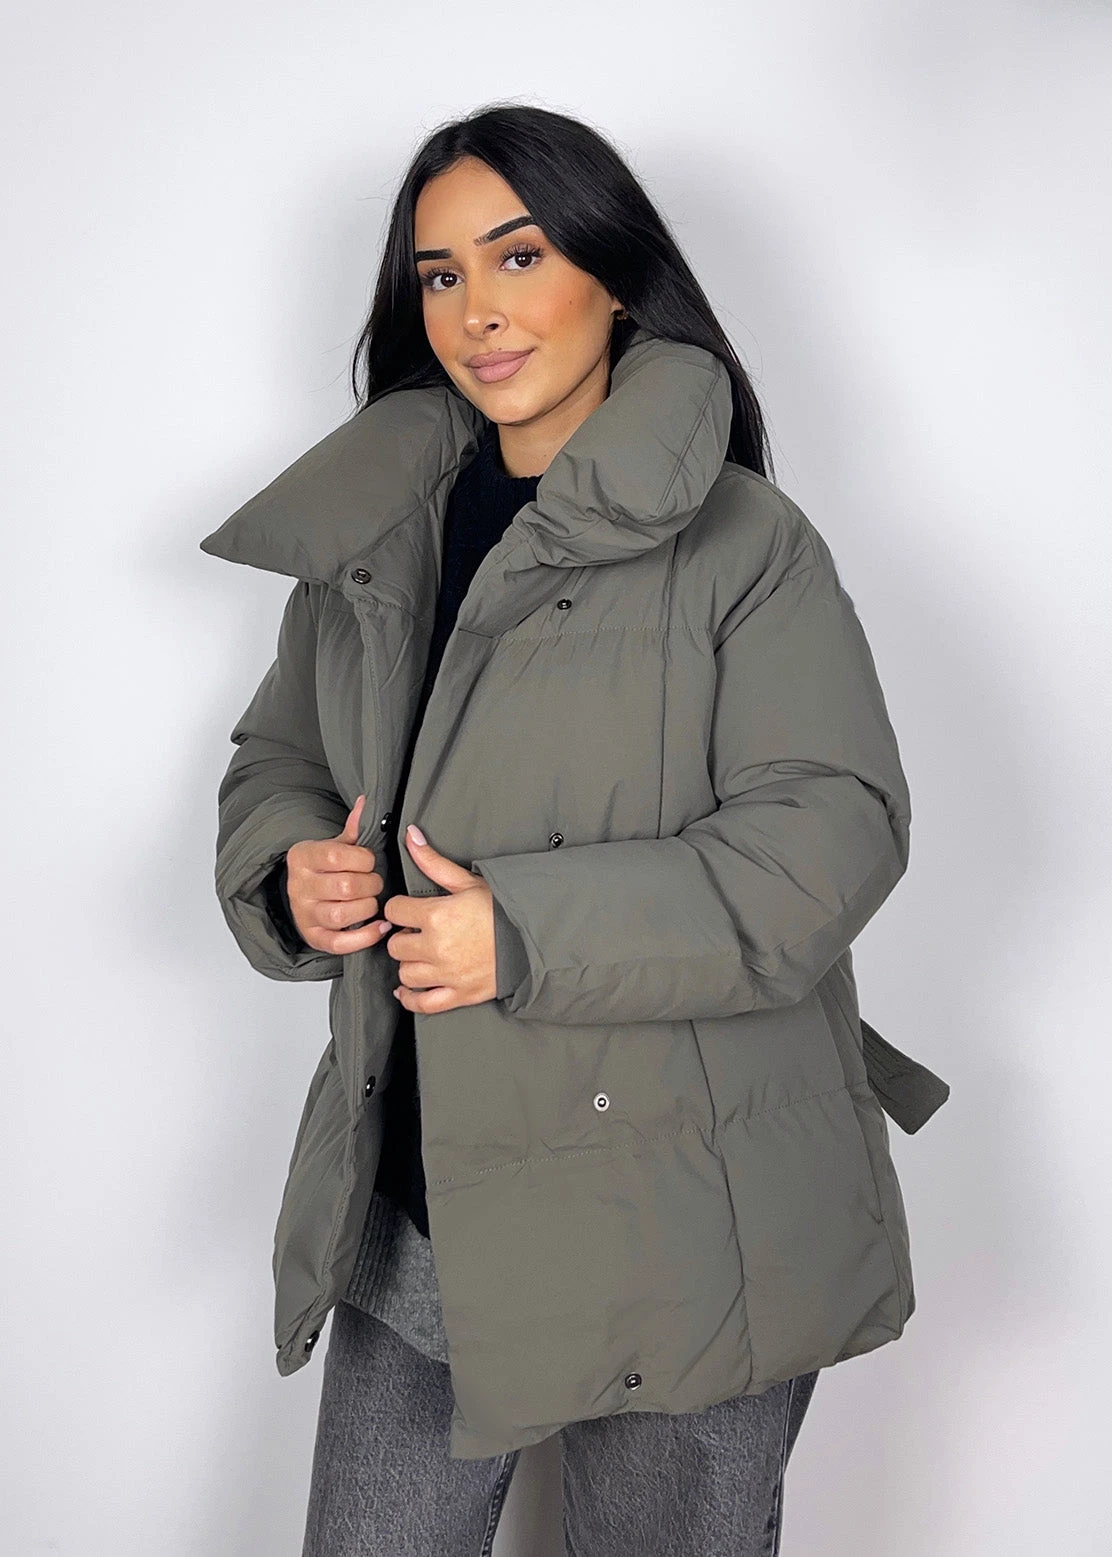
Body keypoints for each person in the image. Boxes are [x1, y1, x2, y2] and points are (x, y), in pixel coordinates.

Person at [200, 102, 944, 1556]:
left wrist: (528, 933)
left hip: (690, 1215)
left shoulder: (745, 544)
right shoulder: (370, 538)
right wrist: (293, 872)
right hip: (426, 1203)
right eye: (439, 274)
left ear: (616, 274)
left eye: (520, 255)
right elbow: (276, 758)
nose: (476, 310)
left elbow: (832, 833)